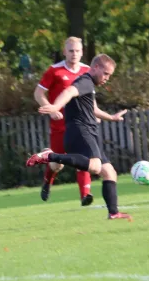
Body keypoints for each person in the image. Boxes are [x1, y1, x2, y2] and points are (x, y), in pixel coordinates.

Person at [27, 54, 132, 220]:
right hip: (80, 131)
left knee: (109, 172)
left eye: (109, 75)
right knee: (96, 167)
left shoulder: (89, 85)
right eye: (106, 73)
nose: (107, 78)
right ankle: (49, 156)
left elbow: (93, 109)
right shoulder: (85, 81)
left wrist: (111, 117)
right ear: (95, 67)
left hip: (90, 132)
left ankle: (113, 212)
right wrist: (55, 106)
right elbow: (68, 91)